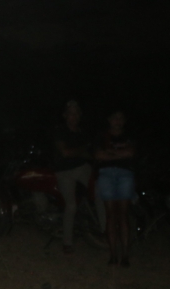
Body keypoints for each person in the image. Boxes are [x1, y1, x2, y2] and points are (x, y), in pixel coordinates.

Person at [51, 100, 102, 253]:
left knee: (100, 191)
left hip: (82, 167)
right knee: (71, 204)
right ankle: (67, 242)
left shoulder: (82, 133)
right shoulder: (60, 131)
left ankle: (106, 230)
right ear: (65, 115)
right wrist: (82, 150)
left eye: (77, 113)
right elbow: (65, 152)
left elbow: (87, 154)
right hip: (64, 171)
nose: (74, 117)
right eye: (71, 114)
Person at [95, 109, 136, 267]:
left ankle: (125, 255)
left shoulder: (129, 136)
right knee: (110, 215)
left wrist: (110, 153)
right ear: (109, 120)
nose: (117, 121)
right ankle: (113, 255)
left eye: (120, 118)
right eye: (115, 118)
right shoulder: (102, 136)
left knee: (123, 214)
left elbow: (131, 152)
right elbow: (98, 155)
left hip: (125, 174)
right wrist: (120, 153)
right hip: (106, 174)